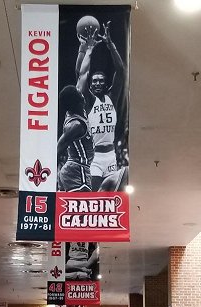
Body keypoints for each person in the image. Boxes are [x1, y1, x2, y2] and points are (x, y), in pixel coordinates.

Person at [76, 20, 128, 192]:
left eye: (101, 81)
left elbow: (120, 71)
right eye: (95, 81)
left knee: (111, 198)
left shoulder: (111, 98)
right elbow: (81, 74)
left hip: (111, 156)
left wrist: (110, 45)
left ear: (106, 84)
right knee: (95, 197)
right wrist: (88, 50)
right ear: (91, 85)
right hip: (95, 157)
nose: (98, 83)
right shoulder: (90, 101)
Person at [57, 85, 94, 192]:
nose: (83, 96)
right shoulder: (75, 125)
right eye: (80, 94)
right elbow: (58, 148)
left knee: (64, 208)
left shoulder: (80, 111)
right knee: (82, 206)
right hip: (77, 170)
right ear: (77, 102)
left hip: (73, 170)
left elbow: (82, 76)